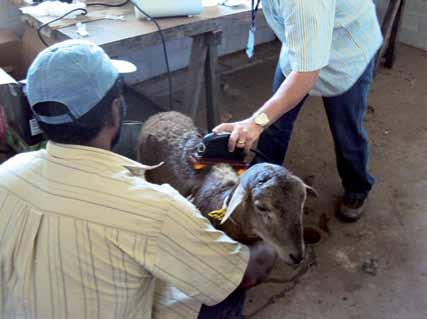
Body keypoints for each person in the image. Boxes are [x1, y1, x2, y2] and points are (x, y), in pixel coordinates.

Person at [0, 40, 276, 319]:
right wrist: (269, 239)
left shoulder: (7, 175)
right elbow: (245, 271)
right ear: (116, 110)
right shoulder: (154, 209)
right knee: (226, 287)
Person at [214, 0, 383, 222]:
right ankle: (261, 183)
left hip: (346, 46)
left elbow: (305, 74)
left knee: (346, 131)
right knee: (274, 122)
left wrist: (256, 123)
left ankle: (357, 187)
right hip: (306, 42)